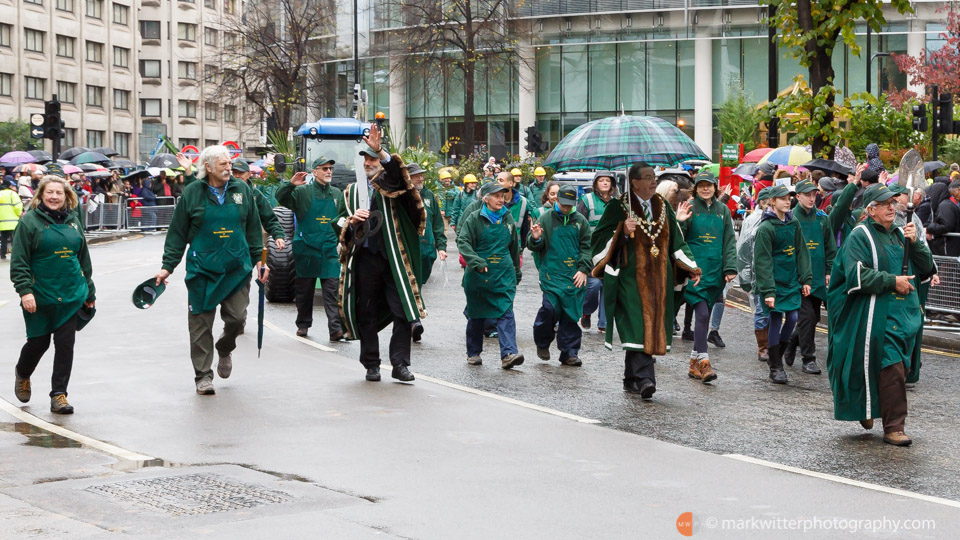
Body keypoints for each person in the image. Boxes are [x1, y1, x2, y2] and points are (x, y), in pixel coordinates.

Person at [153, 145, 267, 395]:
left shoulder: (242, 189)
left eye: (229, 163)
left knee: (237, 319)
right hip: (202, 271)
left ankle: (224, 348)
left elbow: (252, 226)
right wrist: (167, 267)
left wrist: (260, 258)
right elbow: (177, 233)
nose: (229, 168)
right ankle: (203, 376)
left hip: (236, 268)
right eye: (224, 164)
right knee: (200, 326)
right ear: (208, 167)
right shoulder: (193, 193)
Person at [827, 184, 934, 446]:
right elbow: (855, 276)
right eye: (885, 203)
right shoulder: (859, 236)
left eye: (893, 202)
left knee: (900, 367)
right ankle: (894, 427)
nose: (891, 207)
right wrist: (891, 281)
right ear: (871, 210)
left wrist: (916, 243)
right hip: (877, 316)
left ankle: (867, 407)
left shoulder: (900, 234)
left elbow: (927, 269)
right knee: (891, 368)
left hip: (905, 316)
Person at [590, 162, 700, 399]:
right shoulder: (618, 208)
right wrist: (621, 231)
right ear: (634, 182)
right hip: (630, 280)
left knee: (647, 327)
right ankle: (646, 379)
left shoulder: (661, 206)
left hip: (658, 279)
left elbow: (677, 241)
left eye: (654, 177)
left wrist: (691, 266)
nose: (653, 181)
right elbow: (598, 242)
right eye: (648, 177)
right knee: (638, 326)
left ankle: (631, 378)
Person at [336, 125, 425, 383]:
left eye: (372, 158)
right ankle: (371, 364)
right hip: (366, 259)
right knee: (367, 312)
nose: (368, 162)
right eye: (364, 158)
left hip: (395, 259)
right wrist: (351, 222)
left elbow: (401, 177)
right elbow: (337, 223)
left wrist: (381, 152)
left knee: (402, 311)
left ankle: (400, 364)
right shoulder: (351, 192)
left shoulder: (393, 184)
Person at [10, 175, 95, 414]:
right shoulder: (29, 222)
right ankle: (23, 373)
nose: (54, 197)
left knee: (65, 344)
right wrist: (25, 291)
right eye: (50, 192)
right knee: (38, 343)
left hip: (70, 294)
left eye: (59, 193)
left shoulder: (74, 221)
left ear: (66, 196)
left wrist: (89, 289)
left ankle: (59, 395)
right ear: (41, 195)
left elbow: (83, 258)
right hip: (40, 295)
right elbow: (19, 261)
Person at [275, 157, 344, 340]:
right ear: (315, 172)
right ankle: (303, 324)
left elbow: (343, 217)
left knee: (332, 290)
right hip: (306, 249)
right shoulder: (302, 192)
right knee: (305, 291)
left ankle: (335, 329)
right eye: (324, 169)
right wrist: (290, 185)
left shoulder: (337, 194)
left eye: (330, 168)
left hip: (329, 249)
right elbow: (280, 198)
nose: (328, 171)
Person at [457, 182, 524, 369]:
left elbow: (514, 246)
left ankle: (509, 353)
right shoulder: (474, 218)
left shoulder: (507, 218)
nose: (500, 199)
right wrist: (476, 262)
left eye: (503, 196)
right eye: (496, 196)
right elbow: (462, 241)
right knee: (477, 314)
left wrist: (516, 271)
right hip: (479, 276)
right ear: (486, 198)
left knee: (505, 311)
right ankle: (473, 353)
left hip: (503, 274)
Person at [678, 170, 736, 383]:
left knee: (706, 315)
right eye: (701, 185)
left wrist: (730, 268)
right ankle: (704, 362)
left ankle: (693, 363)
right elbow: (679, 239)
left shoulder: (723, 211)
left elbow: (729, 241)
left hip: (716, 274)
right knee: (701, 314)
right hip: (695, 273)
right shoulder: (689, 208)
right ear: (695, 187)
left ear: (715, 188)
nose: (705, 188)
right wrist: (680, 221)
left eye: (709, 185)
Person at [753, 185, 813, 384]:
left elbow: (801, 251)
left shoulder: (793, 223)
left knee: (794, 316)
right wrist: (768, 291)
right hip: (773, 284)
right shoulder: (766, 228)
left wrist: (805, 279)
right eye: (782, 198)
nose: (787, 202)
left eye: (789, 198)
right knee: (776, 319)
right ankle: (775, 366)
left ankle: (778, 352)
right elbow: (763, 262)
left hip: (790, 282)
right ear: (772, 201)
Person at [528, 185, 591, 366]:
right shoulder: (546, 218)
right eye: (563, 204)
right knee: (550, 309)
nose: (566, 208)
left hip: (574, 275)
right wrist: (536, 238)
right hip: (551, 274)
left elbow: (587, 247)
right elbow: (532, 246)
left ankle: (569, 353)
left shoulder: (580, 221)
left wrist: (583, 269)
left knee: (571, 314)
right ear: (555, 200)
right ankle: (542, 341)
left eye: (569, 205)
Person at [782, 180, 835, 375]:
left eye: (814, 195)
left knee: (811, 319)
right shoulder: (790, 218)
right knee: (807, 316)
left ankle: (791, 342)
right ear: (798, 196)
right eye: (807, 195)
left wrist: (829, 270)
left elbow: (830, 248)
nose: (812, 198)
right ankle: (808, 358)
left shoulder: (822, 219)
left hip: (818, 277)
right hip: (798, 278)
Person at [578, 171, 619, 334]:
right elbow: (579, 224)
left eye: (607, 181)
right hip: (591, 252)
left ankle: (604, 323)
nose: (604, 183)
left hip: (611, 252)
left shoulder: (617, 203)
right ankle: (586, 312)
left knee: (609, 285)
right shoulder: (586, 200)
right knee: (594, 285)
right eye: (601, 180)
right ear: (595, 184)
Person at [737, 187, 774, 362]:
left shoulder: (781, 219)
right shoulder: (751, 221)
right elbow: (743, 250)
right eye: (766, 201)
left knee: (777, 311)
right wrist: (745, 279)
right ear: (761, 202)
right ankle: (763, 347)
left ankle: (774, 344)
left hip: (777, 271)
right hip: (758, 272)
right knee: (761, 309)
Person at [409, 163, 447, 284]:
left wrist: (441, 247)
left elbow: (437, 223)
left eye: (421, 175)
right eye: (416, 176)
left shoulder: (429, 195)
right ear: (408, 177)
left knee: (422, 279)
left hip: (427, 247)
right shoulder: (403, 195)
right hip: (410, 247)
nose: (420, 178)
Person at [926, 179, 960, 256]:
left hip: (948, 248)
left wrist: (929, 227)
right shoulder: (948, 204)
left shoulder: (945, 205)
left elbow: (946, 226)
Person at [0, 178, 23, 259]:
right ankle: (16, 254)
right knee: (15, 239)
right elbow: (18, 206)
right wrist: (19, 214)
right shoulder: (12, 194)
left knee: (4, 239)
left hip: (2, 222)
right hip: (13, 221)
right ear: (9, 186)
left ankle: (2, 254)